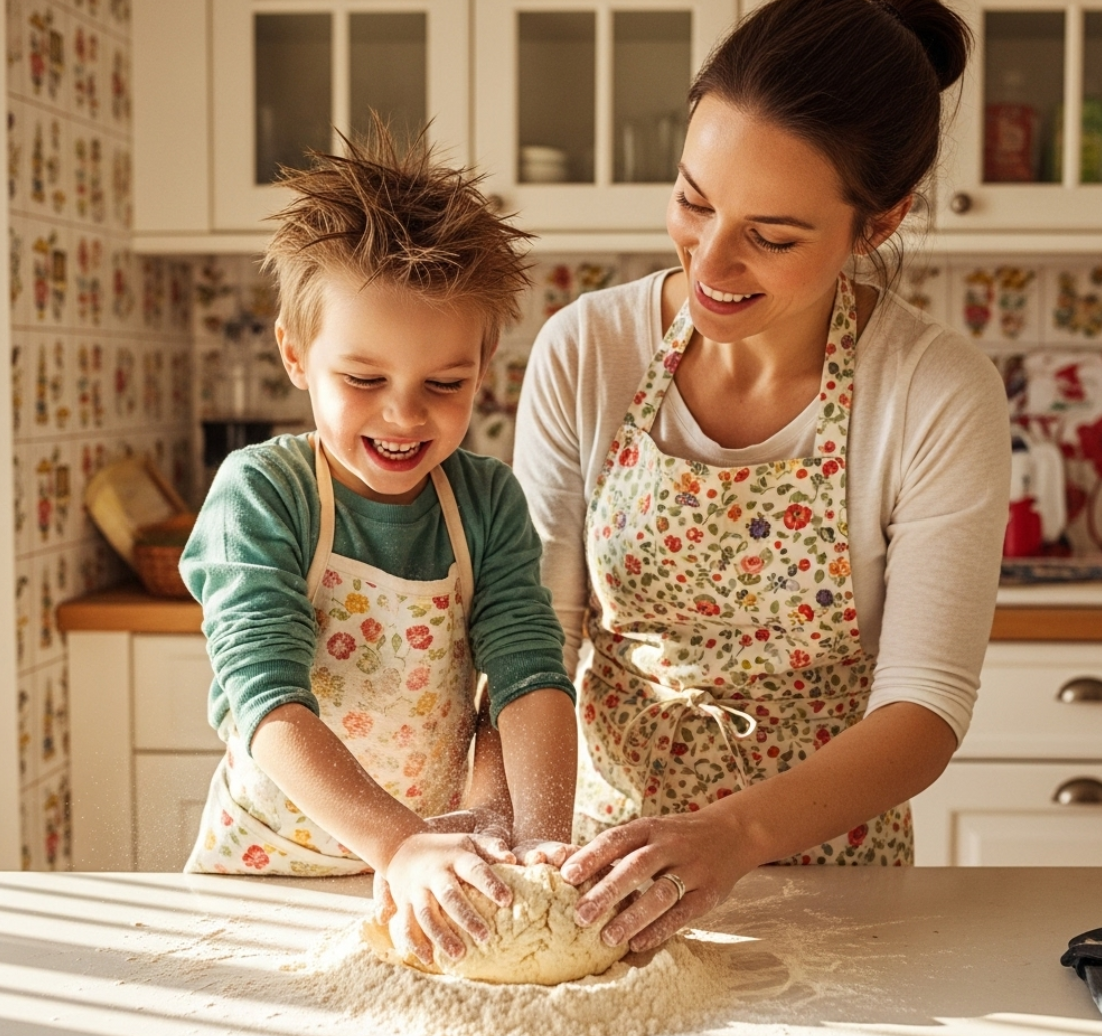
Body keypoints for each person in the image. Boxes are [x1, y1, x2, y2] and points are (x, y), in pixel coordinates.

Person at [513, 0, 1010, 955]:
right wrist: (525, 838)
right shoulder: (590, 348)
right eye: (695, 200)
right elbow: (536, 638)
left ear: (882, 220)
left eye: (772, 237)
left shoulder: (933, 392)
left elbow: (924, 708)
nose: (711, 259)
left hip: (838, 880)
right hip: (604, 867)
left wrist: (734, 834)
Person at [181, 123, 578, 967]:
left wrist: (543, 847)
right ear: (296, 354)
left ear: (484, 363)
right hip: (269, 879)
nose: (405, 415)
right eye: (364, 380)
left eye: (445, 384)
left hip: (430, 877)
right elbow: (265, 700)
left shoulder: (486, 501)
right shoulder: (264, 494)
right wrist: (395, 842)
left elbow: (529, 676)